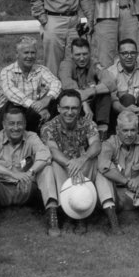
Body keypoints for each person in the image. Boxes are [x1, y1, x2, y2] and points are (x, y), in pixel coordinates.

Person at [0, 107, 61, 240]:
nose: (16, 128)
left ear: (25, 124)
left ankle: (52, 217)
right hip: (1, 192)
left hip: (25, 190)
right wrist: (12, 174)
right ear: (4, 124)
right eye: (11, 123)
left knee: (47, 168)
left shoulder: (32, 137)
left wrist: (30, 172)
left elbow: (45, 155)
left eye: (19, 123)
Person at [41, 89, 115, 234]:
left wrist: (82, 159)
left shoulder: (87, 123)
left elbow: (96, 144)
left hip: (84, 170)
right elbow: (53, 150)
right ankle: (67, 213)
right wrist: (71, 165)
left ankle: (92, 214)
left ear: (80, 109)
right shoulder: (48, 127)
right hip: (63, 169)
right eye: (66, 108)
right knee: (53, 163)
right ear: (58, 108)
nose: (70, 112)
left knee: (96, 161)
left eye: (74, 108)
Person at [0, 36, 61, 133]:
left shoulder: (41, 70)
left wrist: (47, 98)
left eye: (33, 53)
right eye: (26, 53)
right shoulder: (7, 71)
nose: (30, 56)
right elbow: (11, 92)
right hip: (5, 114)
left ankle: (51, 132)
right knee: (13, 105)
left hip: (30, 112)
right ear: (17, 54)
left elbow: (56, 83)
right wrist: (37, 106)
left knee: (57, 98)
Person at [58, 38, 116, 139]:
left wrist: (90, 91)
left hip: (93, 104)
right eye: (77, 55)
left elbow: (110, 83)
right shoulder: (66, 64)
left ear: (90, 53)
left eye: (85, 54)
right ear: (71, 54)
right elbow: (67, 85)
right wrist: (84, 103)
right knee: (69, 97)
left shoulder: (94, 64)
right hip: (74, 105)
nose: (82, 58)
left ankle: (103, 133)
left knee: (105, 94)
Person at [106, 38, 139, 130]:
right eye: (125, 53)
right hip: (121, 113)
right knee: (128, 98)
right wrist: (124, 109)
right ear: (119, 55)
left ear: (137, 54)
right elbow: (111, 100)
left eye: (132, 53)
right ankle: (126, 133)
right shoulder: (111, 73)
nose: (129, 56)